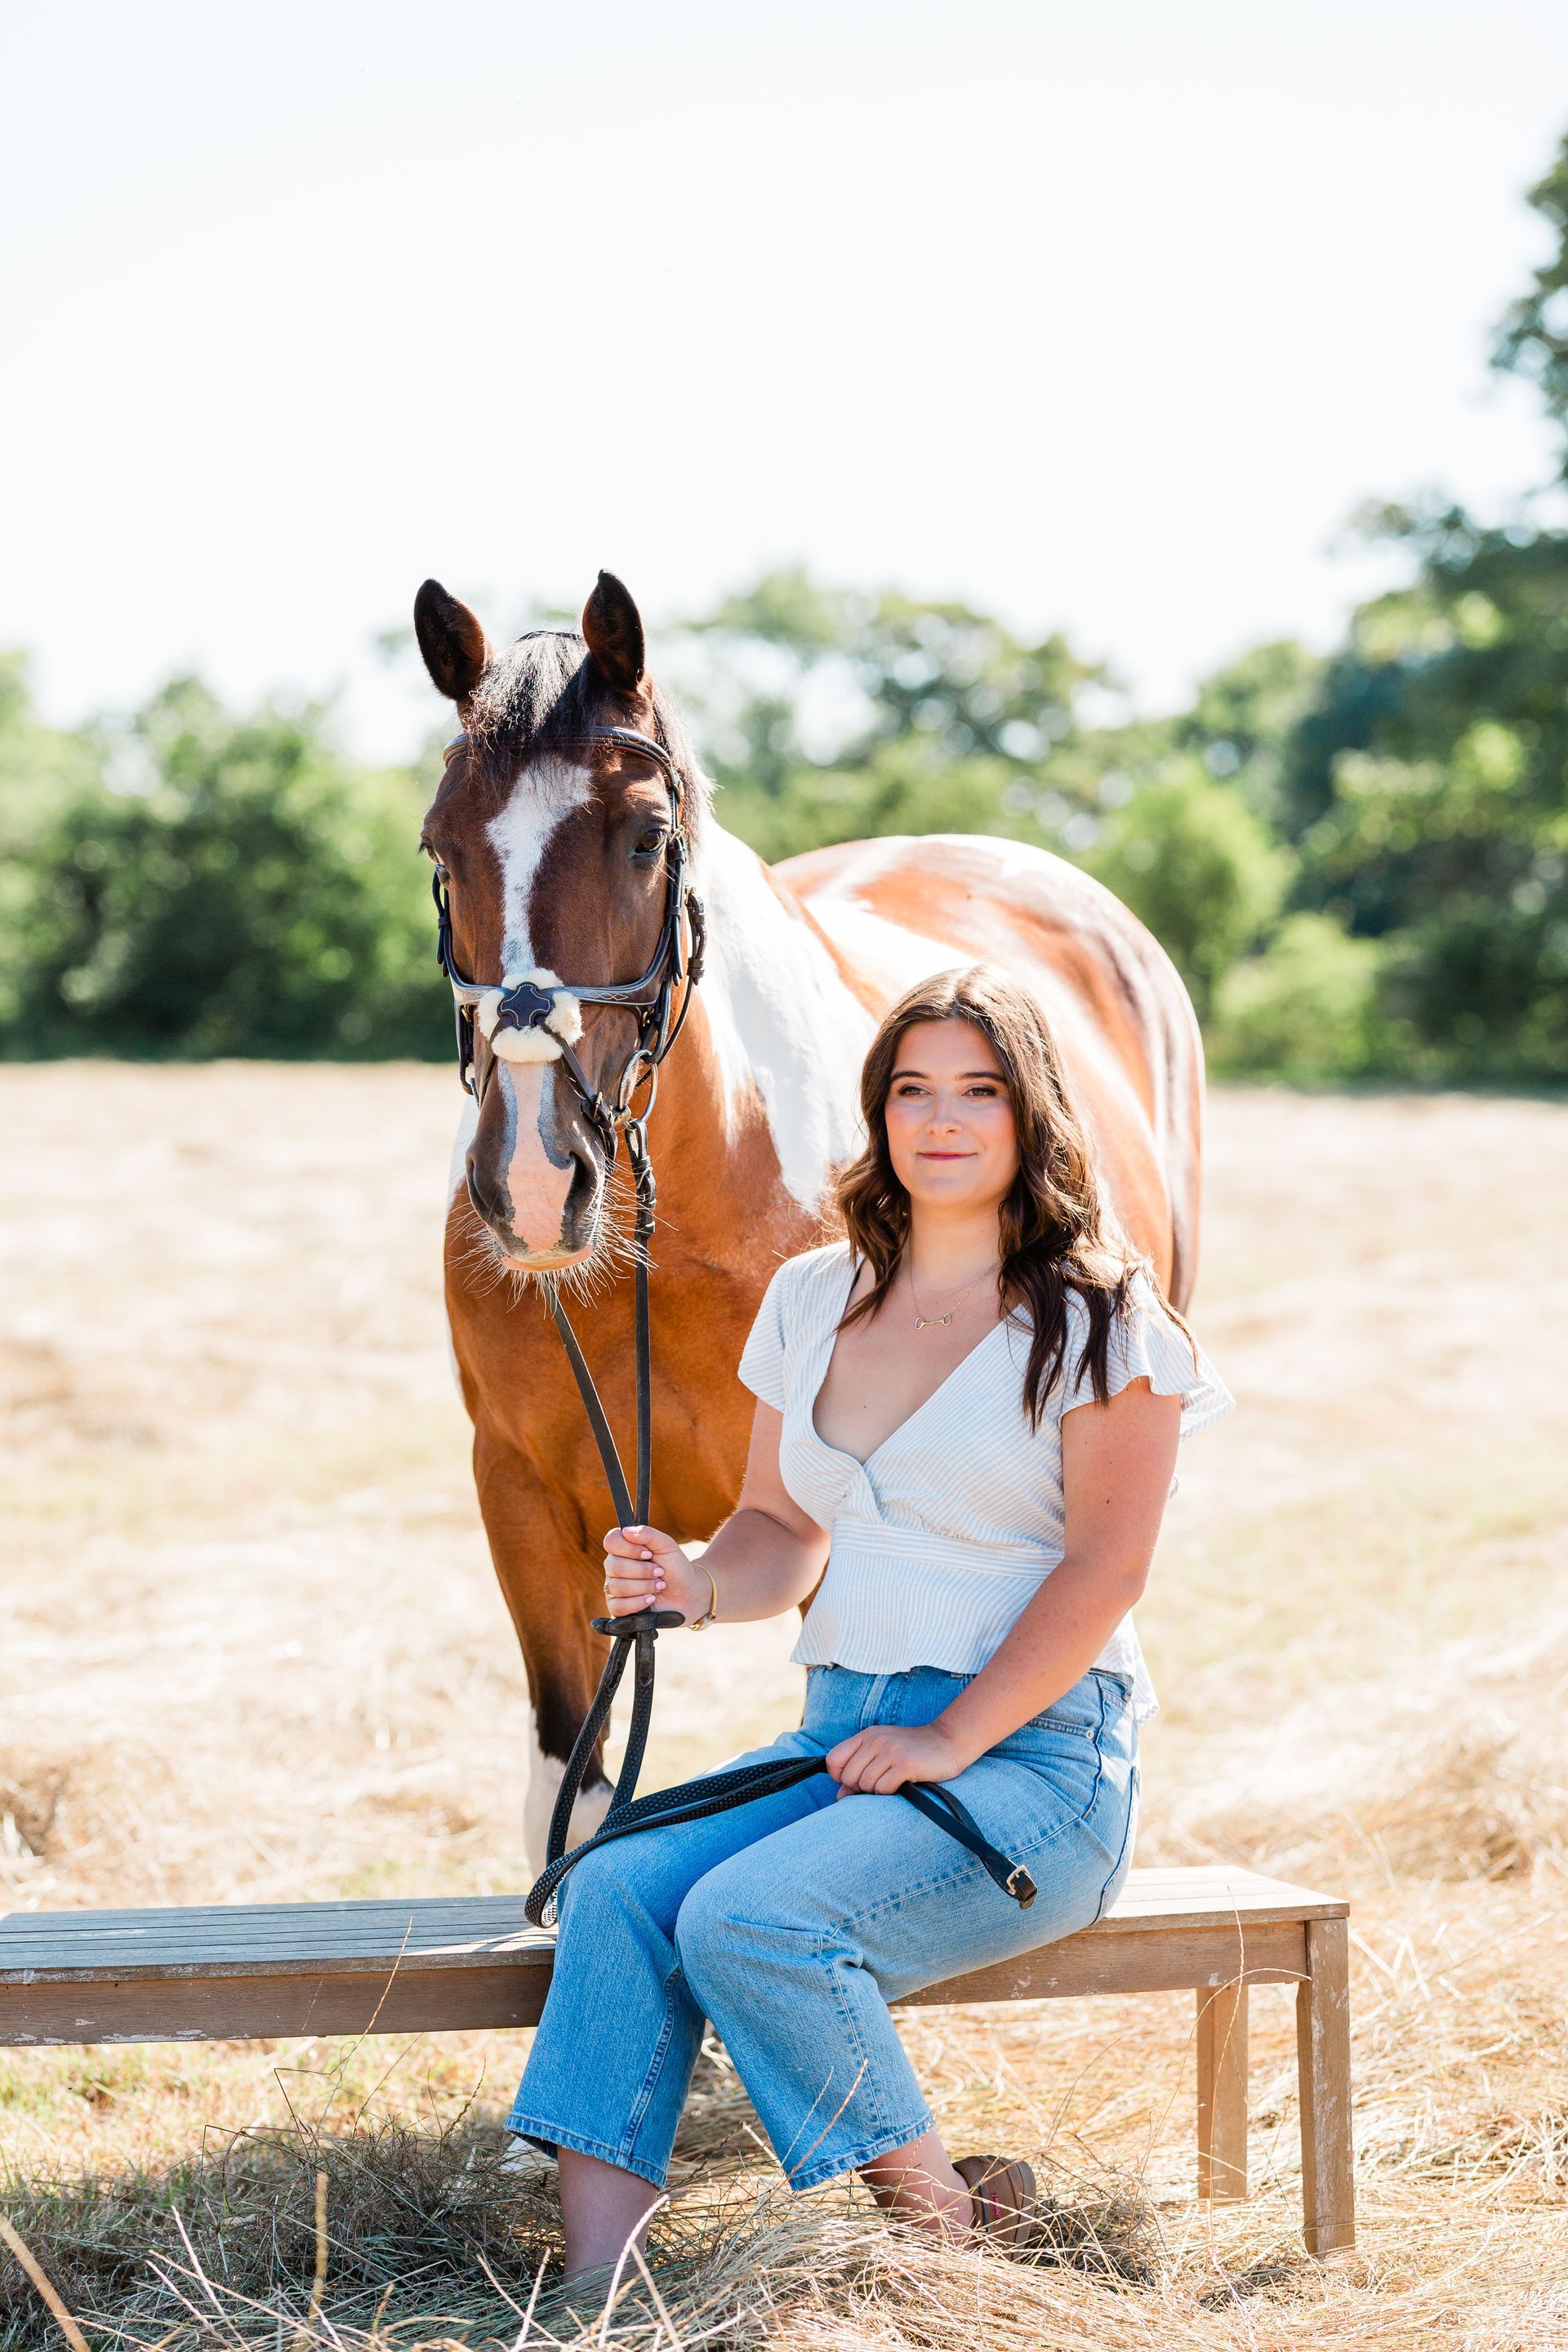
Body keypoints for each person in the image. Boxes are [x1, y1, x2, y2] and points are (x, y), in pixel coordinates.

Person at [506, 964, 1232, 2277]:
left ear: (1030, 1116)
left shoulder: (1103, 1318)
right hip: (844, 1743)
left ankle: (945, 2245)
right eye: (912, 1091)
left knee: (751, 1919)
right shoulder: (813, 1298)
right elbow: (782, 1532)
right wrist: (693, 1582)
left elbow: (1105, 1574)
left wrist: (951, 1737)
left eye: (978, 1091)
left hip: (1037, 1765)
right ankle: (596, 2297)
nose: (941, 1120)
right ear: (880, 1113)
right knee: (617, 1886)